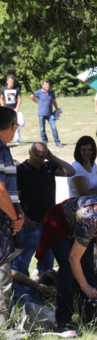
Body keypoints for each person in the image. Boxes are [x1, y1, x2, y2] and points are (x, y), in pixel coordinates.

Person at [35, 195, 97, 330]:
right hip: (60, 224)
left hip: (81, 225)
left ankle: (88, 317)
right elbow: (74, 258)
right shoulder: (91, 221)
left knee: (88, 268)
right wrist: (85, 286)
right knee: (68, 270)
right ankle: (64, 320)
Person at [13, 142, 75, 277]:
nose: (38, 159)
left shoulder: (48, 167)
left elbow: (70, 171)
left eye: (42, 156)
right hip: (31, 225)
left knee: (47, 262)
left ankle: (43, 290)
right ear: (29, 151)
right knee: (22, 262)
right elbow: (15, 199)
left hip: (49, 224)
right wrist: (26, 220)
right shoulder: (21, 170)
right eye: (36, 155)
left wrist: (52, 158)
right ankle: (21, 294)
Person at [0, 107, 24, 326]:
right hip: (2, 220)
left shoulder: (5, 150)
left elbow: (9, 189)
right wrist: (14, 216)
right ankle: (3, 329)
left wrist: (19, 214)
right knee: (3, 277)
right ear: (13, 127)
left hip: (6, 218)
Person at [29, 80, 62, 147]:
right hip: (41, 114)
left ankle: (57, 142)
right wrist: (37, 102)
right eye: (46, 85)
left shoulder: (52, 92)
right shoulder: (39, 92)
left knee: (54, 128)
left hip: (50, 114)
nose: (48, 86)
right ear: (42, 86)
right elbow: (31, 96)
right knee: (42, 129)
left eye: (48, 85)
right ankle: (44, 141)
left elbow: (54, 101)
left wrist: (56, 109)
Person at [0, 75, 22, 144]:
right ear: (7, 81)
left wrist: (17, 108)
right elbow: (1, 98)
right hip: (6, 110)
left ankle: (17, 139)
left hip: (14, 109)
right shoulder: (4, 89)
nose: (12, 82)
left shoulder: (16, 89)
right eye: (10, 81)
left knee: (16, 124)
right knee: (6, 124)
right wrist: (3, 107)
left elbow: (20, 98)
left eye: (13, 81)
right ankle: (6, 139)